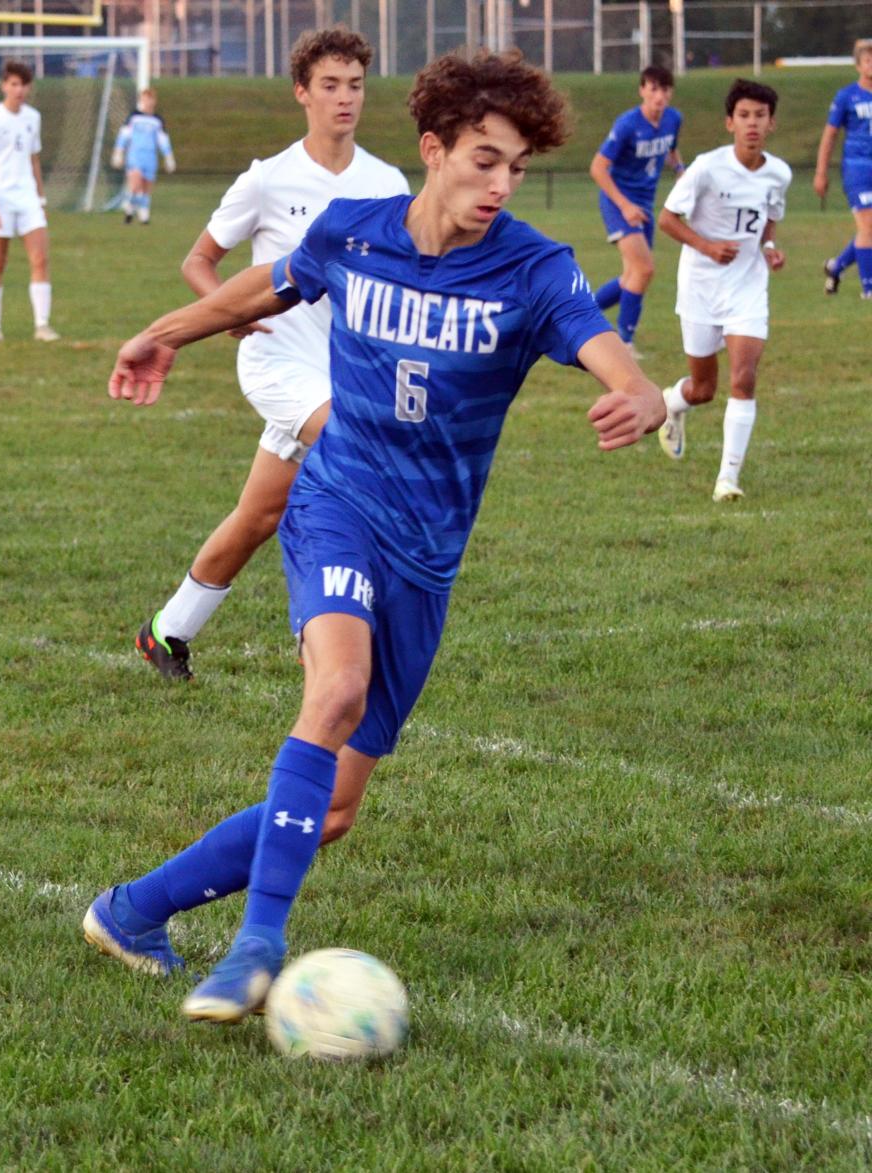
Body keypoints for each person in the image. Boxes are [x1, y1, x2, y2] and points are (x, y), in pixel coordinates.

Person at [83, 49, 665, 1025]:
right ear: (433, 150)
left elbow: (600, 344)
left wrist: (637, 389)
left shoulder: (531, 267)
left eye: (516, 167)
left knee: (338, 811)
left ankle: (131, 911)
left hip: (426, 559)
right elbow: (261, 289)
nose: (500, 183)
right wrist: (165, 332)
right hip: (337, 503)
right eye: (483, 159)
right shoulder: (354, 234)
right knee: (336, 688)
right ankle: (257, 945)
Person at [134, 27, 409, 681]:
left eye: (356, 85)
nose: (345, 98)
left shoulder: (388, 181)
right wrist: (228, 312)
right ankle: (318, 627)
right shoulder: (267, 179)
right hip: (276, 363)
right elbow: (200, 260)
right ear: (301, 93)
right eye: (330, 86)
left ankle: (166, 631)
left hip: (348, 373)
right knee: (355, 462)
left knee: (259, 513)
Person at [657, 79, 791, 503]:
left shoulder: (780, 173)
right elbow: (667, 219)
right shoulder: (707, 168)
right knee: (703, 389)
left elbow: (769, 219)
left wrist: (768, 248)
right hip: (700, 287)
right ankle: (672, 403)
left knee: (744, 378)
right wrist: (707, 246)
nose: (752, 123)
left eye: (760, 116)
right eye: (744, 116)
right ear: (729, 122)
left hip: (747, 287)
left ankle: (727, 480)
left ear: (771, 123)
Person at [589, 65, 684, 357]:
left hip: (644, 204)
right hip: (619, 202)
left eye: (665, 89)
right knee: (644, 269)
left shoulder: (673, 119)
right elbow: (598, 168)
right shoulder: (627, 124)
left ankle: (581, 313)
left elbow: (671, 150)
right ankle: (624, 343)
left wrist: (680, 170)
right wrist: (625, 205)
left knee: (632, 275)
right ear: (642, 90)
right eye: (653, 89)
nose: (660, 96)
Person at [0, 59, 58, 343]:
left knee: (41, 258)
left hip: (28, 200)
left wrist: (40, 196)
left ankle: (42, 325)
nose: (19, 90)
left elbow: (33, 159)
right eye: (14, 84)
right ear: (4, 86)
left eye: (23, 84)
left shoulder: (33, 117)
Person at [813, 39, 872, 298]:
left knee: (868, 229)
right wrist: (821, 172)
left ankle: (836, 267)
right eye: (868, 60)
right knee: (869, 227)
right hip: (857, 169)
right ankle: (868, 289)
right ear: (859, 66)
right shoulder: (846, 96)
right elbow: (830, 136)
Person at [111, 88, 176, 225]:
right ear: (141, 100)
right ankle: (130, 209)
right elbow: (124, 135)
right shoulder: (134, 117)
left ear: (154, 101)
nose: (147, 102)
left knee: (146, 187)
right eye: (144, 99)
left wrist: (169, 157)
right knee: (135, 184)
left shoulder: (157, 120)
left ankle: (143, 214)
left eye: (150, 99)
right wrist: (118, 152)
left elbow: (163, 140)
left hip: (150, 157)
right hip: (135, 155)